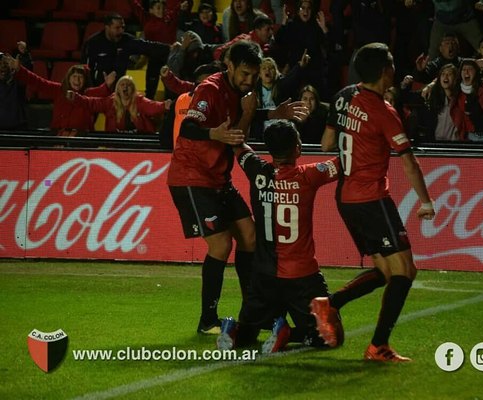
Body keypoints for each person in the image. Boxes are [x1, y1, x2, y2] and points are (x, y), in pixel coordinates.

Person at [166, 40, 308, 334]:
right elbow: (191, 127)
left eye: (253, 75)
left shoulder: (242, 92)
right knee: (221, 244)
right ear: (228, 66)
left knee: (250, 237)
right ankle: (208, 320)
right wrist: (213, 132)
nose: (249, 80)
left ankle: (252, 312)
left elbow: (242, 121)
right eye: (244, 73)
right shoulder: (210, 89)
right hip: (192, 177)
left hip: (218, 178)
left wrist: (272, 114)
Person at [316, 43, 436, 362]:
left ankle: (331, 304)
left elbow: (327, 142)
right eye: (393, 65)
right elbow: (409, 162)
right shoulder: (384, 112)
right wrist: (425, 200)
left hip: (345, 198)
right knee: (405, 271)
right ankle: (378, 346)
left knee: (385, 271)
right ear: (385, 71)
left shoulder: (343, 95)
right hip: (371, 198)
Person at [217, 120, 343, 353]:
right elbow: (344, 163)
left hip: (264, 276)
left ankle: (232, 330)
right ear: (297, 147)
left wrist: (238, 123)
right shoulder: (309, 175)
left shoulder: (256, 170)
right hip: (302, 278)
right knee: (330, 336)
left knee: (249, 332)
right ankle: (287, 333)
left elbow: (239, 147)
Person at [7, 51, 116, 134]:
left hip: (81, 139)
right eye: (74, 77)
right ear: (68, 78)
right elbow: (38, 82)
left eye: (80, 77)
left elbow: (102, 93)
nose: (77, 81)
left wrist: (107, 85)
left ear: (85, 80)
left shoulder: (88, 94)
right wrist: (20, 70)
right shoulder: (59, 90)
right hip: (57, 137)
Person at [81, 13, 171, 87]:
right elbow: (85, 69)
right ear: (107, 27)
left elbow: (148, 46)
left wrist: (170, 48)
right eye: (117, 28)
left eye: (123, 27)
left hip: (119, 88)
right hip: (98, 88)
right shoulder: (93, 43)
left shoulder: (127, 40)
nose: (121, 31)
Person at [74, 75, 172, 133]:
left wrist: (164, 105)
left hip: (139, 144)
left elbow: (152, 106)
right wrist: (76, 98)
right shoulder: (110, 101)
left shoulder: (139, 100)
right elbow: (92, 103)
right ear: (118, 89)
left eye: (128, 85)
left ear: (133, 89)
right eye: (122, 85)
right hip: (115, 144)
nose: (125, 87)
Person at [131, 0, 182, 99]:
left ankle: (170, 109)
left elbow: (178, 6)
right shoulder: (146, 18)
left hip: (169, 57)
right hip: (154, 57)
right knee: (150, 89)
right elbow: (134, 5)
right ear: (151, 10)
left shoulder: (170, 18)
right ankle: (148, 109)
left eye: (163, 8)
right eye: (158, 7)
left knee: (170, 89)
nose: (161, 10)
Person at [0, 43, 31, 130]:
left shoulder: (17, 81)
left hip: (17, 127)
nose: (2, 66)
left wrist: (24, 55)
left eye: (5, 63)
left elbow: (28, 74)